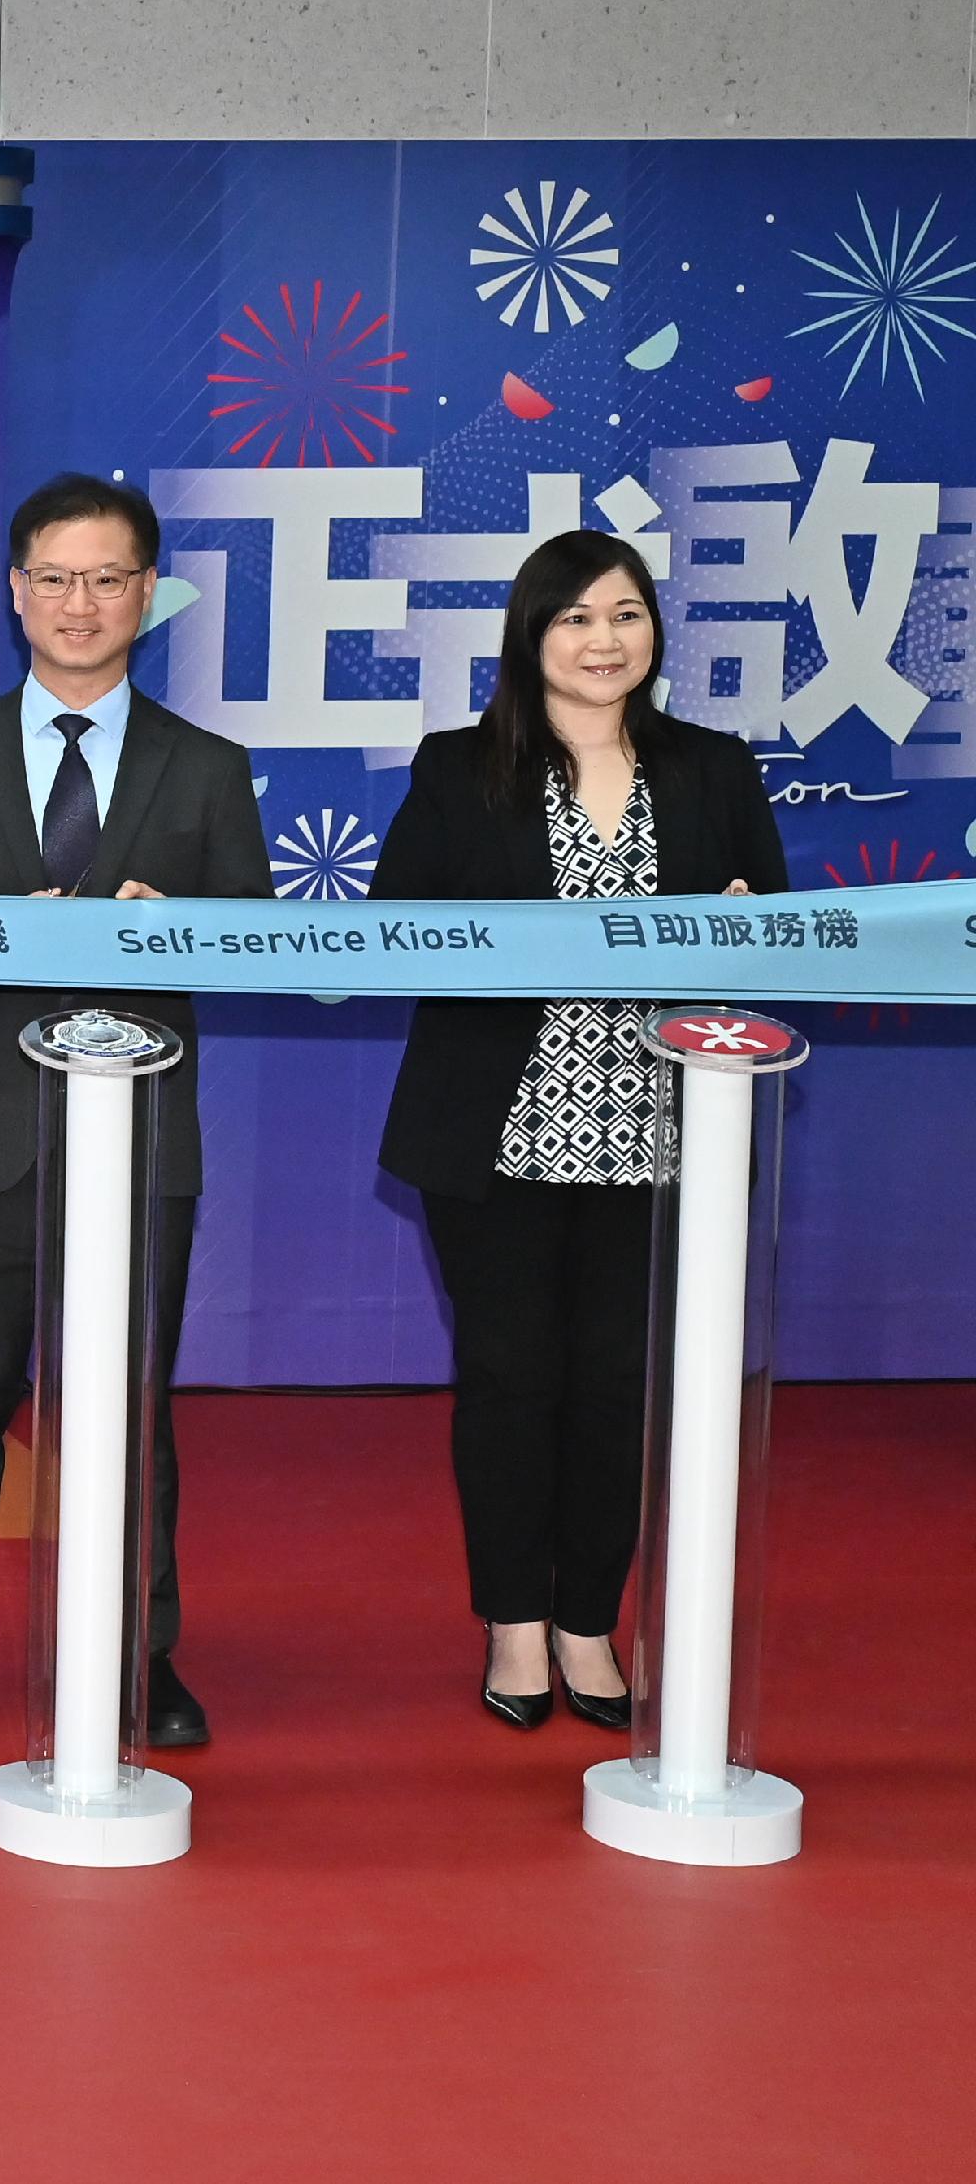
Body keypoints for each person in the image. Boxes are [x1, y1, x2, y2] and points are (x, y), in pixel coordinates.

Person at [0, 473, 265, 1750]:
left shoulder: (208, 768)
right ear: (16, 592)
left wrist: (183, 931)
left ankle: (139, 1648)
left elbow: (249, 939)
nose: (77, 604)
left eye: (106, 579)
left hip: (141, 1145)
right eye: (52, 578)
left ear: (146, 594)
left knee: (127, 1405)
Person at [369, 530, 786, 1730]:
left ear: (654, 633)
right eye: (575, 618)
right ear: (530, 635)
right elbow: (395, 927)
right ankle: (510, 1622)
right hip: (496, 1133)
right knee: (509, 1378)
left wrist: (748, 921)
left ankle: (588, 1623)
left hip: (658, 1133)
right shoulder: (461, 767)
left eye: (626, 615)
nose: (603, 641)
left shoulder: (710, 769)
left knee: (614, 1384)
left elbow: (776, 920)